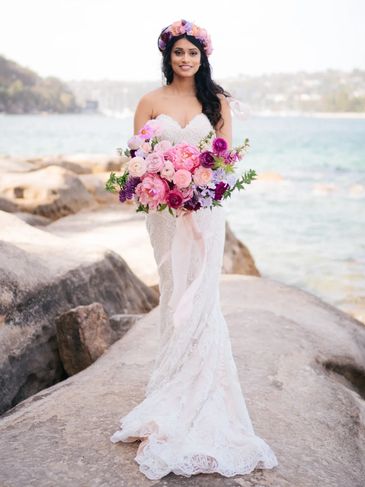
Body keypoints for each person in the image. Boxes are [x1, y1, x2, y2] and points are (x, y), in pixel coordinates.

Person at [110, 19, 279, 480]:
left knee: (202, 297)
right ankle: (169, 387)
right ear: (168, 56)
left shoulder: (216, 101)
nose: (186, 59)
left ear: (203, 58)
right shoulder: (150, 101)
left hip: (205, 210)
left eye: (193, 53)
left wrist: (198, 186)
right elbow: (135, 160)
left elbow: (224, 160)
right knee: (173, 292)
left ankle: (202, 397)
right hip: (163, 214)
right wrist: (159, 180)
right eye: (178, 52)